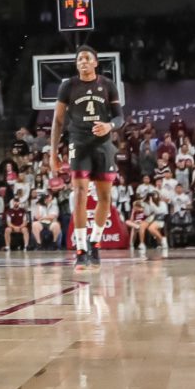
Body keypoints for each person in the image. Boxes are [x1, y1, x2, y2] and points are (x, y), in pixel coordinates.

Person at [50, 45, 122, 272]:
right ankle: (81, 249)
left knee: (104, 198)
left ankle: (95, 242)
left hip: (103, 145)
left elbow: (120, 117)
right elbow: (58, 121)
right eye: (79, 59)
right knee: (79, 193)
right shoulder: (68, 86)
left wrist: (109, 125)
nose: (82, 61)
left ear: (95, 63)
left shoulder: (108, 85)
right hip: (78, 143)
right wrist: (52, 153)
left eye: (86, 58)